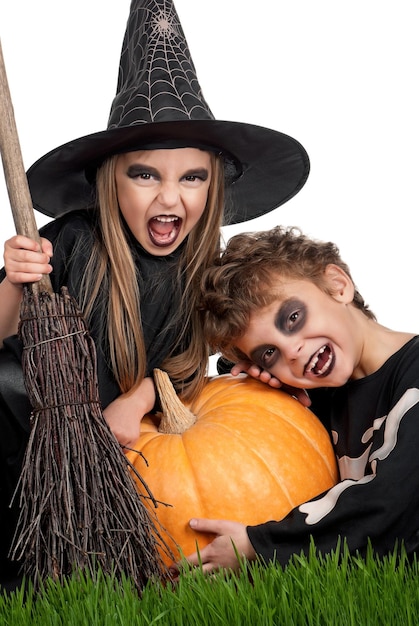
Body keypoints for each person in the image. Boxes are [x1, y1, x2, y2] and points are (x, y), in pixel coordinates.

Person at [0, 0, 309, 589]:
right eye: (146, 175)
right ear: (108, 178)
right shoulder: (72, 240)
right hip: (41, 427)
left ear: (213, 186)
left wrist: (138, 399)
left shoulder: (204, 268)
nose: (170, 199)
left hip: (132, 438)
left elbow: (198, 359)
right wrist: (16, 282)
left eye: (191, 177)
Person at [173, 224, 419, 573]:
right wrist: (253, 372)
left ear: (338, 285)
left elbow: (393, 506)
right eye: (269, 352)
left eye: (292, 317)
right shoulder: (320, 397)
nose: (292, 350)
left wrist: (259, 546)